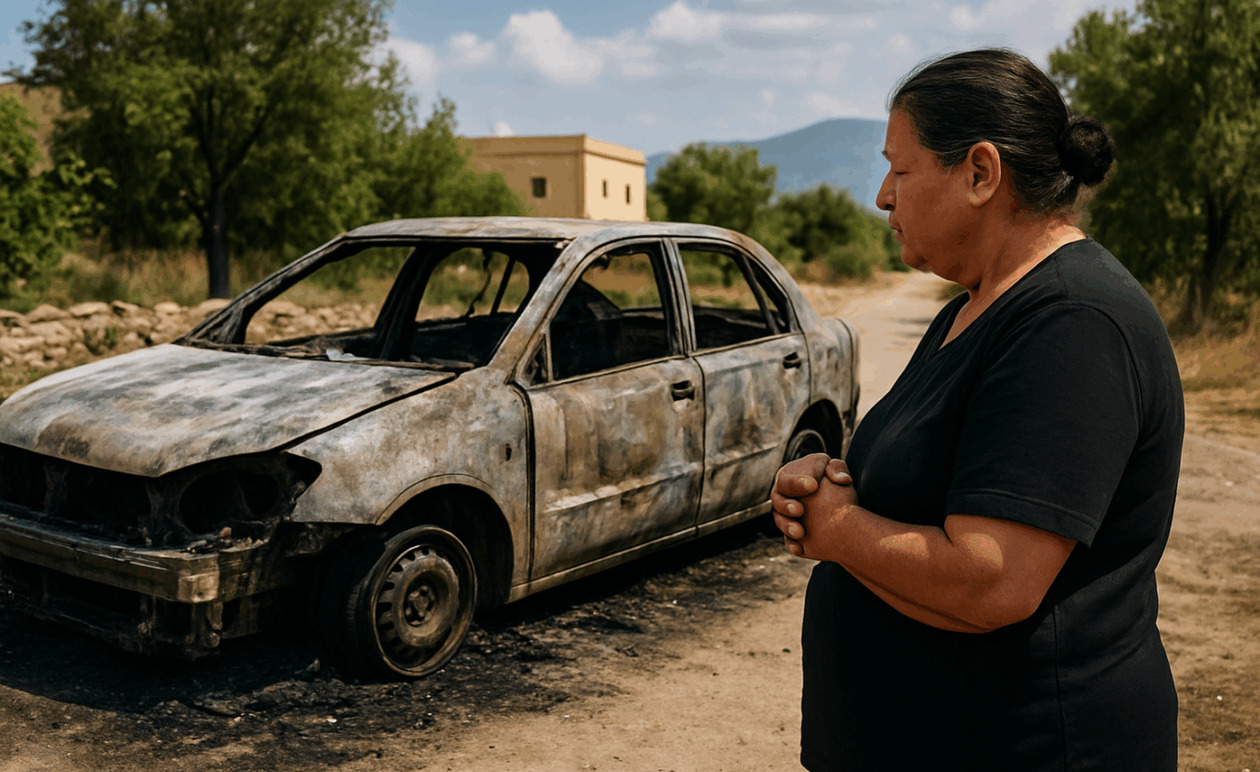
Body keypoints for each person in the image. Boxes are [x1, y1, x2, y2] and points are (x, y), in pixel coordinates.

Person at [770, 48, 1183, 771]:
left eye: (900, 170)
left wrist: (840, 531)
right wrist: (829, 483)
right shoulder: (975, 309)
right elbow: (931, 481)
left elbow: (992, 580)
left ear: (981, 173)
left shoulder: (1072, 324)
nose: (882, 198)